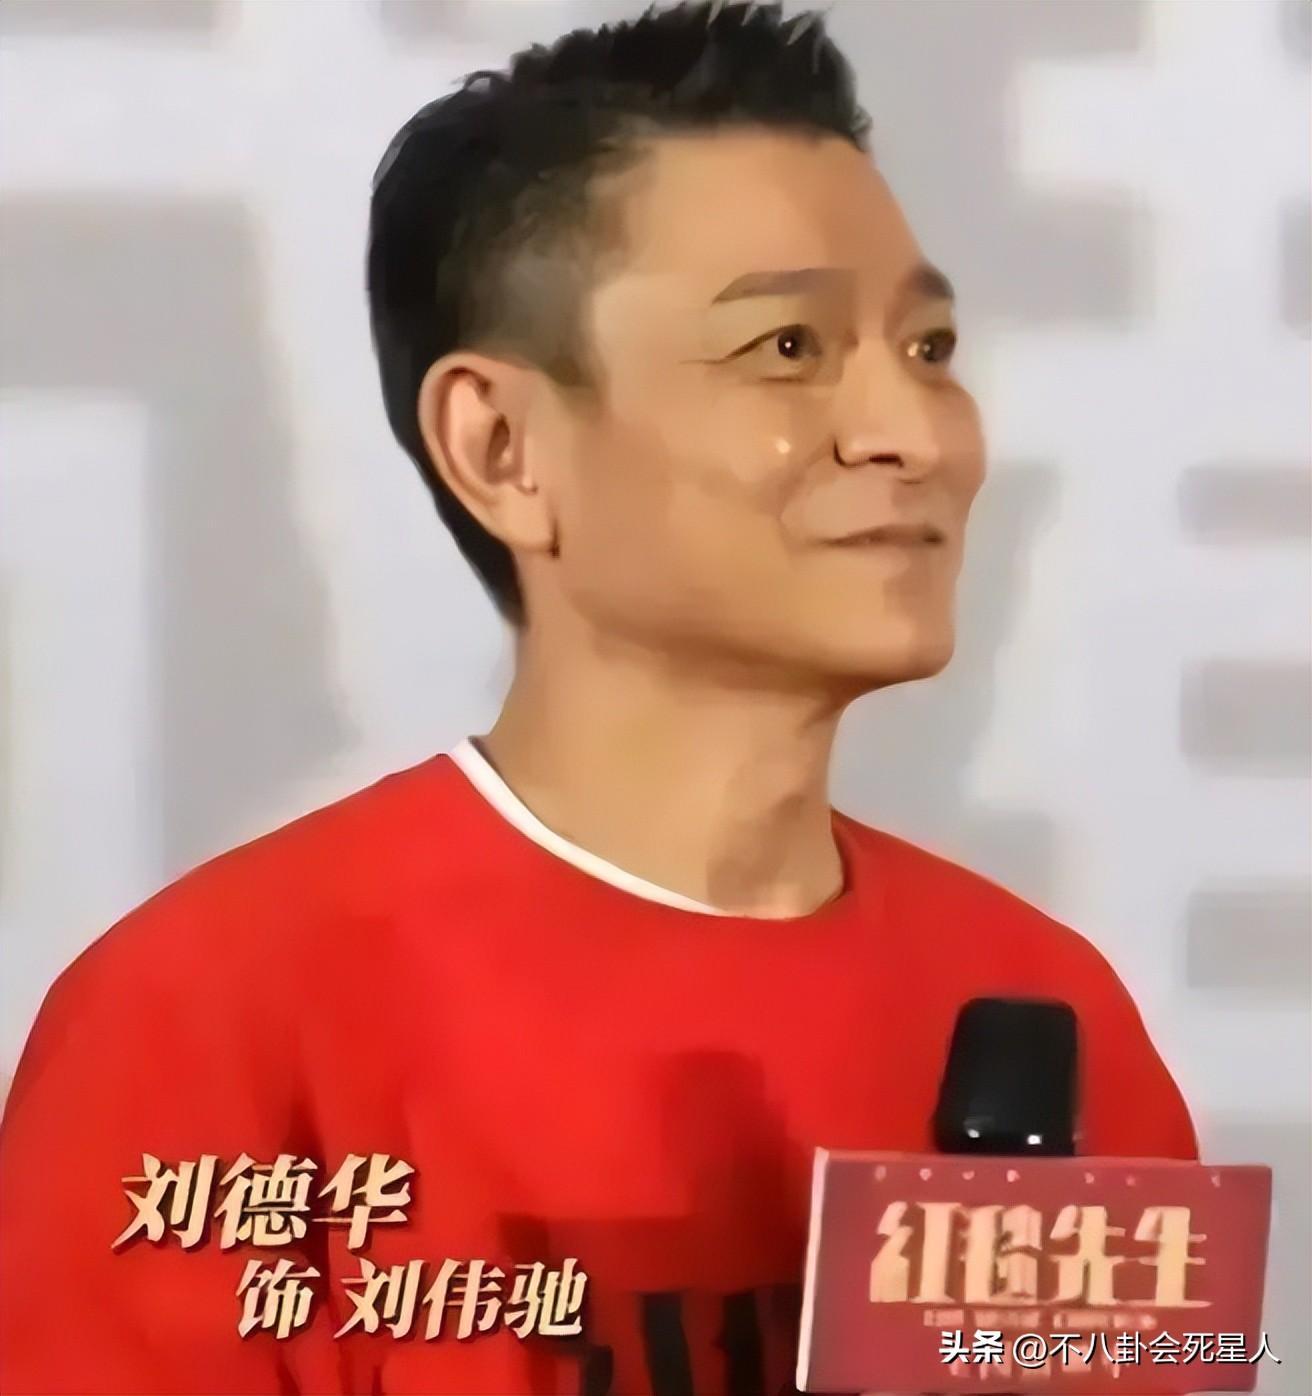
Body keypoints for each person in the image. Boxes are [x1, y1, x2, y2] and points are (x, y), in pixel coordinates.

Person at [0, 3, 1197, 1394]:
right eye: (788, 349)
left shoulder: (1042, 1012)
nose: (911, 434)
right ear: (503, 447)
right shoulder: (205, 1025)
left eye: (929, 349)